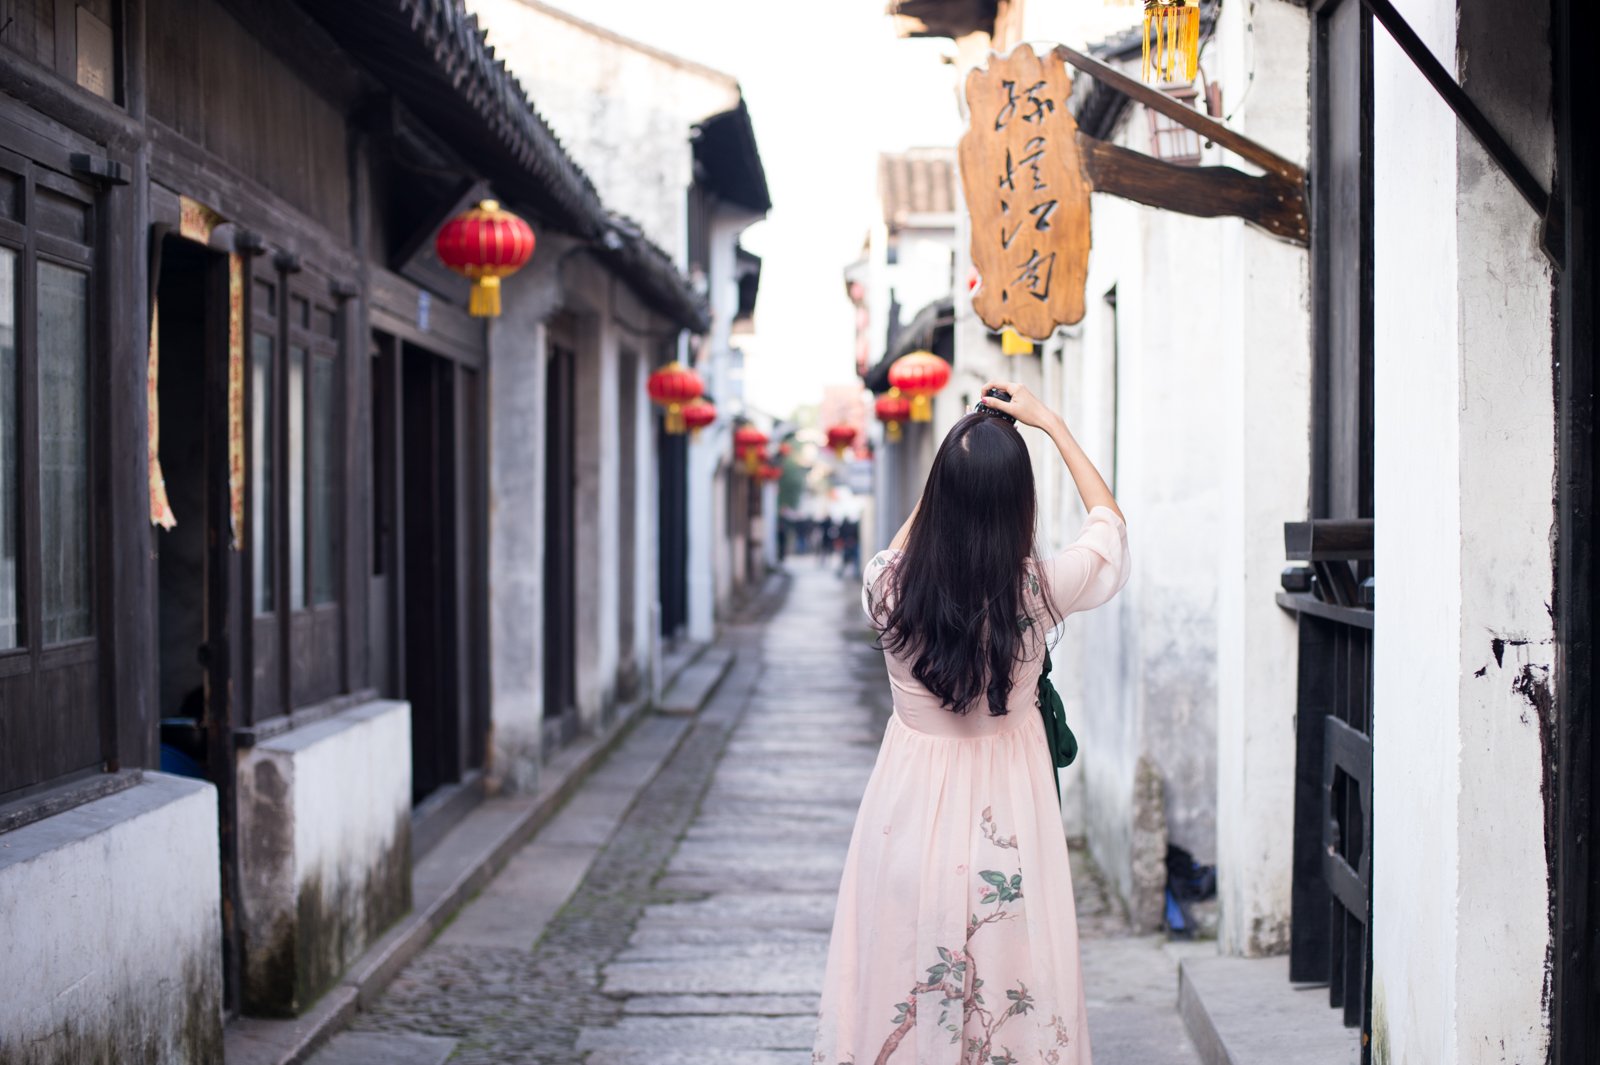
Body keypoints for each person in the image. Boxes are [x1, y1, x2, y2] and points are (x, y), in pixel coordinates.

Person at [812, 381, 1129, 1065]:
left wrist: (951, 465)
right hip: (1008, 828)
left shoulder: (888, 589)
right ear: (1019, 503)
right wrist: (1049, 424)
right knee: (1008, 1004)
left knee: (904, 990)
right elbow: (1108, 527)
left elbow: (898, 549)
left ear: (939, 495)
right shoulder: (1039, 590)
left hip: (905, 823)